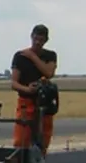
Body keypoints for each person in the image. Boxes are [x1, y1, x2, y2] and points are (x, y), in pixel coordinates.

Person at [10, 24, 58, 155]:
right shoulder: (20, 56)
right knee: (21, 140)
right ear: (31, 37)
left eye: (41, 40)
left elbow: (49, 73)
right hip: (26, 103)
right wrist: (27, 89)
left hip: (44, 104)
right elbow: (14, 83)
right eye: (36, 38)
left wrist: (32, 57)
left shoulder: (50, 55)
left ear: (46, 40)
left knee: (43, 138)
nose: (37, 42)